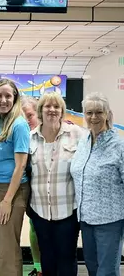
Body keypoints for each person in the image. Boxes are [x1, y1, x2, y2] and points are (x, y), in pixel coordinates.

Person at [28, 92, 83, 276]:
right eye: (47, 106)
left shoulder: (77, 134)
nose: (52, 110)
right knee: (47, 259)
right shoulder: (30, 138)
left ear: (62, 111)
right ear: (40, 111)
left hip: (68, 211)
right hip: (40, 211)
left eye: (56, 107)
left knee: (67, 259)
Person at [71, 92, 124, 276]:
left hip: (110, 221)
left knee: (107, 271)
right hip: (85, 220)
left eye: (99, 112)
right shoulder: (83, 142)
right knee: (92, 268)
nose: (93, 117)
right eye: (89, 112)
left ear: (108, 114)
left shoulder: (119, 146)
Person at [0, 79, 30, 276]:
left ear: (15, 98)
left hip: (12, 190)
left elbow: (21, 165)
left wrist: (7, 200)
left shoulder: (19, 124)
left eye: (8, 96)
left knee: (8, 250)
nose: (3, 100)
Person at [21, 96, 42, 276]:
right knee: (34, 227)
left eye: (30, 115)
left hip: (52, 195)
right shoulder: (22, 137)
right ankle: (39, 268)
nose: (27, 120)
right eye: (23, 116)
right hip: (30, 193)